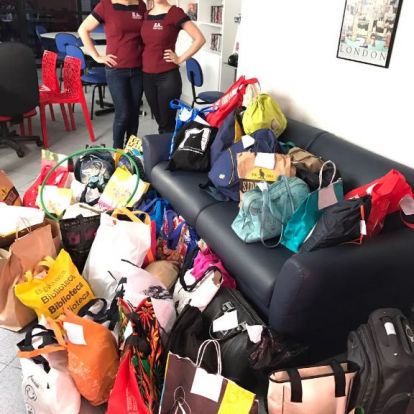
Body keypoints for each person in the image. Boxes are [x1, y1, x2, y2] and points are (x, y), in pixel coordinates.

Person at [78, 0, 147, 148]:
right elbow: (83, 29)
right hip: (116, 70)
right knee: (123, 113)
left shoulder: (141, 5)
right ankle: (117, 150)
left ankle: (131, 150)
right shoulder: (105, 5)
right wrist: (97, 56)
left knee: (134, 112)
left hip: (138, 69)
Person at [141, 0, 205, 133]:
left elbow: (199, 39)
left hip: (167, 77)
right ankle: (167, 142)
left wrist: (180, 58)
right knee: (160, 121)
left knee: (167, 124)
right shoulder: (146, 14)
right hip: (147, 76)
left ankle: (168, 145)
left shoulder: (175, 12)